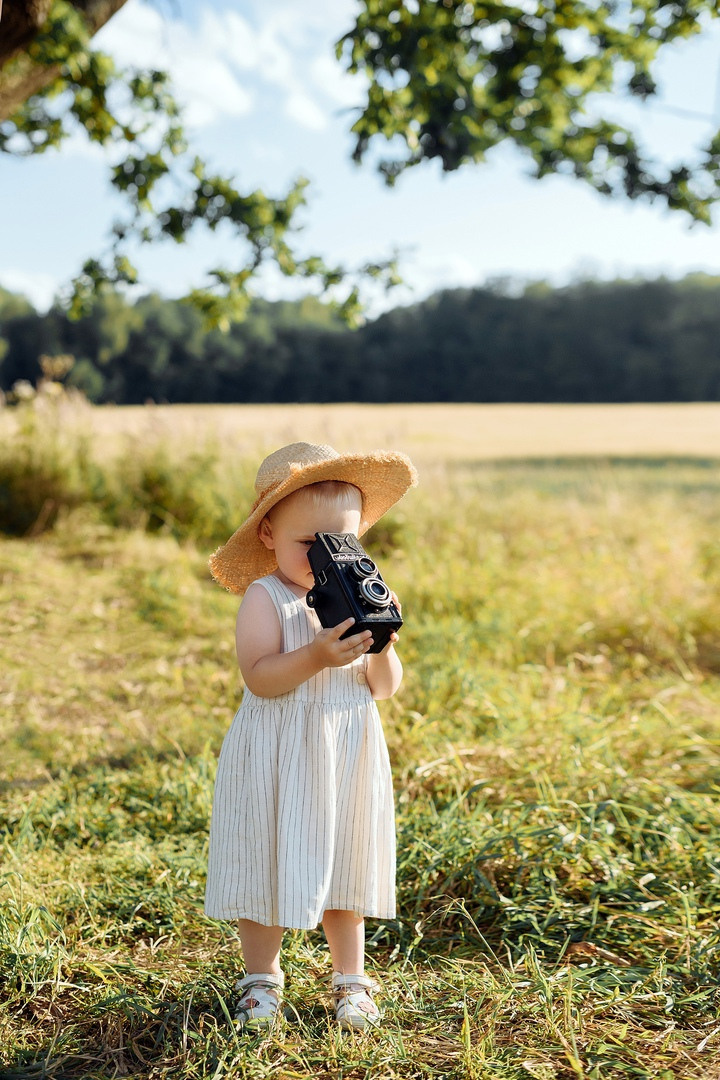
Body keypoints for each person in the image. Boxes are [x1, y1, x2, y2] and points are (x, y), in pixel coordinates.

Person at [205, 441, 418, 1033]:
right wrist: (318, 654)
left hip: (345, 749)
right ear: (269, 534)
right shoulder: (266, 597)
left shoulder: (359, 596)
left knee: (345, 860)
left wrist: (384, 647)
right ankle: (261, 979)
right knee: (266, 862)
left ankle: (351, 979)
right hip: (277, 753)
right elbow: (260, 677)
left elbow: (383, 689)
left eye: (344, 545)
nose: (329, 561)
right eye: (311, 546)